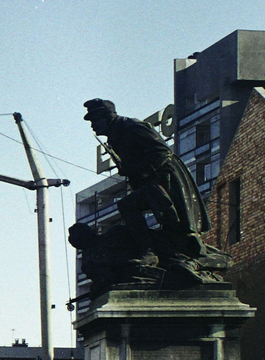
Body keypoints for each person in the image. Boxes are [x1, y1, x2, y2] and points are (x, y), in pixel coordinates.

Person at [83, 98, 209, 270]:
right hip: (152, 183)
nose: (92, 126)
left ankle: (149, 252)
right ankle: (150, 251)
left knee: (130, 206)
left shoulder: (132, 127)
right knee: (133, 207)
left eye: (94, 120)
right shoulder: (116, 135)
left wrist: (135, 169)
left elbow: (163, 152)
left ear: (106, 117)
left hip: (166, 181)